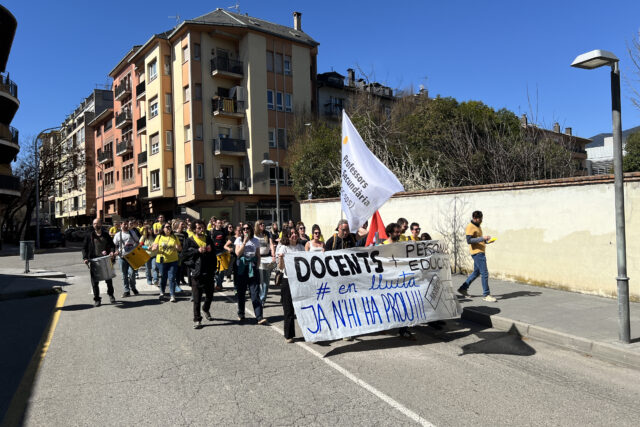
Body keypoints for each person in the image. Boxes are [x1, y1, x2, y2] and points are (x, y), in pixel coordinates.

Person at [382, 222, 416, 340]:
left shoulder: (402, 246)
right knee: (388, 305)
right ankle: (384, 325)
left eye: (399, 232)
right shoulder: (382, 246)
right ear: (389, 233)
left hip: (401, 280)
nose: (398, 234)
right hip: (387, 281)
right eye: (396, 232)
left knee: (406, 304)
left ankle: (403, 330)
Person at [182, 220, 216, 329]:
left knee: (210, 295)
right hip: (196, 273)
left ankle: (205, 309)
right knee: (197, 298)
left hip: (208, 272)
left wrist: (211, 250)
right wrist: (197, 251)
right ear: (194, 229)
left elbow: (214, 255)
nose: (202, 230)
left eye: (203, 227)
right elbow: (184, 255)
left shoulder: (208, 239)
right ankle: (197, 320)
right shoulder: (189, 241)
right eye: (199, 228)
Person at [457, 210, 496, 302]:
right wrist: (482, 238)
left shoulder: (478, 226)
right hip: (477, 253)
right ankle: (486, 294)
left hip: (480, 251)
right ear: (474, 218)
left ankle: (463, 289)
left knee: (476, 272)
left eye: (481, 218)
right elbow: (469, 240)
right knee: (484, 273)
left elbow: (478, 240)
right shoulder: (470, 227)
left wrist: (487, 241)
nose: (481, 220)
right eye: (479, 219)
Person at [234, 222, 267, 324]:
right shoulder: (239, 240)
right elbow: (238, 254)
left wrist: (257, 266)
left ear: (251, 230)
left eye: (247, 228)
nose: (245, 230)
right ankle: (241, 314)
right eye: (243, 229)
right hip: (242, 267)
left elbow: (258, 255)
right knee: (241, 292)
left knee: (255, 292)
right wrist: (244, 242)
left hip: (252, 267)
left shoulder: (255, 240)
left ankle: (259, 316)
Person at [277, 227, 305, 343]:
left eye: (295, 233)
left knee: (303, 308)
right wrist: (281, 259)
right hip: (288, 280)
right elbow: (281, 267)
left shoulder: (301, 247)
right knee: (288, 309)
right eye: (291, 233)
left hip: (300, 281)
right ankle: (289, 335)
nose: (294, 235)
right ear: (288, 236)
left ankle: (309, 332)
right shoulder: (284, 248)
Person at [82, 218, 116, 307]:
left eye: (97, 223)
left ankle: (111, 295)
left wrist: (111, 252)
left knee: (108, 280)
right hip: (94, 261)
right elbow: (84, 248)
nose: (95, 225)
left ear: (101, 224)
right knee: (95, 282)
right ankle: (97, 299)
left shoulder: (106, 235)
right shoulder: (89, 235)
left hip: (105, 260)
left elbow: (112, 245)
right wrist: (85, 258)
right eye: (94, 224)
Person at [152, 222, 182, 302]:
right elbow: (153, 249)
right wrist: (155, 247)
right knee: (163, 277)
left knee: (172, 278)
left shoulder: (174, 237)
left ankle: (172, 295)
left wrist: (178, 247)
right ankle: (162, 292)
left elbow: (180, 249)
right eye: (167, 227)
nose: (169, 228)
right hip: (161, 261)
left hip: (173, 260)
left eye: (169, 227)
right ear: (163, 229)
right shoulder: (159, 237)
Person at [113, 220, 139, 297]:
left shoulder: (132, 233)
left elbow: (137, 242)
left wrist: (134, 247)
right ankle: (126, 290)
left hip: (132, 257)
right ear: (121, 225)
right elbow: (114, 245)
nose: (126, 226)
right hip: (122, 257)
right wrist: (116, 251)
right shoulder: (118, 235)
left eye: (127, 224)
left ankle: (133, 287)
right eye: (124, 224)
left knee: (132, 274)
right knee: (124, 275)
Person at [254, 220, 274, 306]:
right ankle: (259, 296)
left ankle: (262, 298)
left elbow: (271, 244)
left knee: (266, 280)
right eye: (261, 224)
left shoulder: (268, 233)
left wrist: (273, 255)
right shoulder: (254, 235)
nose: (262, 225)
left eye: (263, 224)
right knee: (259, 280)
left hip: (267, 258)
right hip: (258, 259)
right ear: (257, 225)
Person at [210, 219, 228, 291]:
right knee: (217, 270)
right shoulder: (212, 231)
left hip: (222, 251)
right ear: (215, 224)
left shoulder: (224, 231)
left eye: (220, 223)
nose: (219, 224)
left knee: (222, 270)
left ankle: (219, 284)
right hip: (215, 252)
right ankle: (218, 285)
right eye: (218, 223)